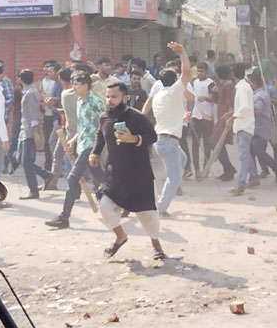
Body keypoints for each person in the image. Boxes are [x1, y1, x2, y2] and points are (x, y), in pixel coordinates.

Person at [91, 82, 167, 261]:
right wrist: (95, 153)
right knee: (104, 207)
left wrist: (134, 139)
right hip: (115, 174)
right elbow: (100, 136)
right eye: (108, 97)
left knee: (147, 214)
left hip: (139, 174)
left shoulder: (137, 117)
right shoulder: (104, 117)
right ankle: (120, 236)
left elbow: (152, 136)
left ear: (124, 98)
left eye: (114, 97)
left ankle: (156, 245)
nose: (110, 100)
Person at [47, 71, 106, 229]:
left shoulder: (96, 102)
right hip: (82, 144)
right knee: (101, 178)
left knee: (73, 179)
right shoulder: (79, 102)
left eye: (76, 84)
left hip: (92, 146)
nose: (73, 87)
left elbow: (106, 122)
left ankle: (64, 217)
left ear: (85, 86)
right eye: (73, 83)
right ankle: (124, 199)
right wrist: (73, 140)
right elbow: (83, 126)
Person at [145, 42, 192, 216]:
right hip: (168, 142)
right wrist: (182, 52)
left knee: (183, 159)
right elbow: (187, 72)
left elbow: (168, 117)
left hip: (163, 140)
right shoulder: (174, 92)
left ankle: (164, 197)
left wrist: (183, 119)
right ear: (174, 81)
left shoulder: (160, 96)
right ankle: (160, 208)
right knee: (174, 178)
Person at [16, 69, 54, 200]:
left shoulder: (30, 94)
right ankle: (46, 175)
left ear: (20, 79)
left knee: (26, 162)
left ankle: (33, 190)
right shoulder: (28, 92)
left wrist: (36, 133)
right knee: (20, 158)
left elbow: (33, 115)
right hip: (24, 131)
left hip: (29, 132)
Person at [249, 68, 277, 184]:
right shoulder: (252, 91)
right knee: (255, 148)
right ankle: (263, 170)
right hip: (255, 125)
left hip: (269, 122)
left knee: (272, 145)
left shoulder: (268, 90)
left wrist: (270, 99)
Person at [228, 66, 258, 194]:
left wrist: (233, 116)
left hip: (244, 125)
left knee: (243, 156)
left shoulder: (242, 88)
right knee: (245, 154)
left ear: (233, 74)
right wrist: (232, 114)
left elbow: (245, 107)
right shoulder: (244, 87)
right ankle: (254, 178)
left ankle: (241, 184)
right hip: (244, 124)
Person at [188, 63, 218, 178]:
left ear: (206, 71)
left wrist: (205, 98)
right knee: (195, 143)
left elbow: (214, 98)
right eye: (198, 71)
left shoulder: (210, 83)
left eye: (202, 71)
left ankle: (206, 167)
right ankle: (197, 169)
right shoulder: (195, 82)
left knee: (206, 143)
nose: (200, 73)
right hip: (196, 115)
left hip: (207, 116)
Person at [211, 65, 239, 181]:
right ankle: (228, 169)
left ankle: (229, 168)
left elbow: (230, 102)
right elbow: (218, 101)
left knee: (214, 142)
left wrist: (229, 118)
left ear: (218, 73)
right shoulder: (221, 85)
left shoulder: (227, 85)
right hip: (221, 117)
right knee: (218, 144)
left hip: (225, 118)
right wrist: (214, 93)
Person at [40, 60, 63, 178]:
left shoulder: (60, 84)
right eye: (47, 71)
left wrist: (48, 98)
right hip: (53, 116)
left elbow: (60, 99)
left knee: (54, 142)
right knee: (51, 142)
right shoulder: (52, 83)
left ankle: (59, 168)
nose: (48, 73)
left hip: (59, 118)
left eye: (50, 71)